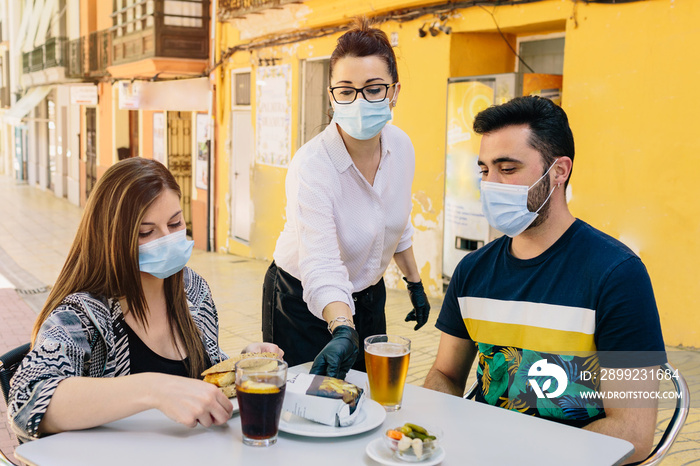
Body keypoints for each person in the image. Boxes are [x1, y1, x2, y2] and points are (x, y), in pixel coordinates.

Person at [424, 96, 666, 463]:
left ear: (559, 171)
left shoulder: (618, 275)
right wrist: (427, 431)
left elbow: (633, 433)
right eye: (484, 170)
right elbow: (445, 372)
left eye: (507, 168)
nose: (490, 183)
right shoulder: (473, 270)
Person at [8, 157, 281, 443]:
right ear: (112, 237)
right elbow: (25, 403)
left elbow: (202, 379)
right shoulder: (82, 317)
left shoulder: (193, 289)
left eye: (175, 223)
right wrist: (153, 389)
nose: (168, 239)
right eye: (146, 232)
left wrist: (240, 365)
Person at [262, 17, 430, 380]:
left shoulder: (401, 146)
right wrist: (342, 328)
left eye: (373, 89)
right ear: (332, 95)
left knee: (367, 395)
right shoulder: (313, 165)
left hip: (368, 294)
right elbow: (321, 263)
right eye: (346, 89)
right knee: (307, 399)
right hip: (301, 298)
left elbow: (395, 223)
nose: (359, 100)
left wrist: (415, 284)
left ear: (394, 91)